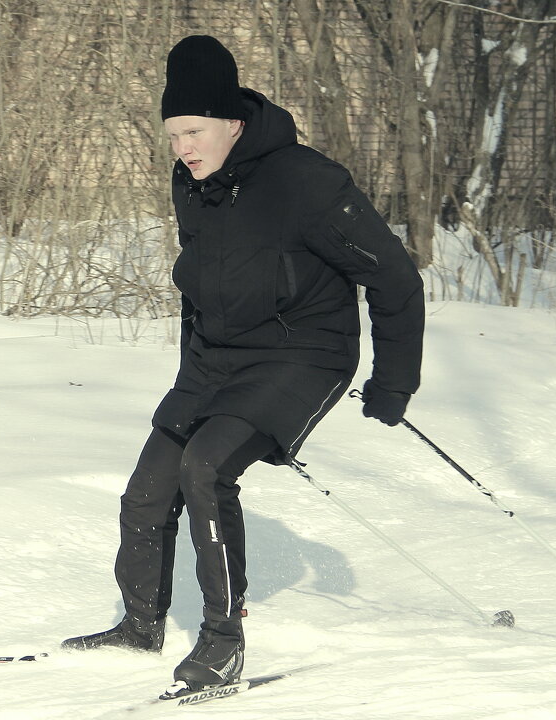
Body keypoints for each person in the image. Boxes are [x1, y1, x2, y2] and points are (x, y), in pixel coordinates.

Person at [61, 35, 425, 693]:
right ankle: (139, 626)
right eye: (173, 136)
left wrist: (394, 377)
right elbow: (199, 287)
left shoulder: (307, 181)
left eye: (194, 131)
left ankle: (222, 647)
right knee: (148, 488)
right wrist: (186, 382)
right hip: (216, 361)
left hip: (303, 354)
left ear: (233, 122)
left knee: (206, 468)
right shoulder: (192, 184)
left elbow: (394, 276)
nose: (183, 148)